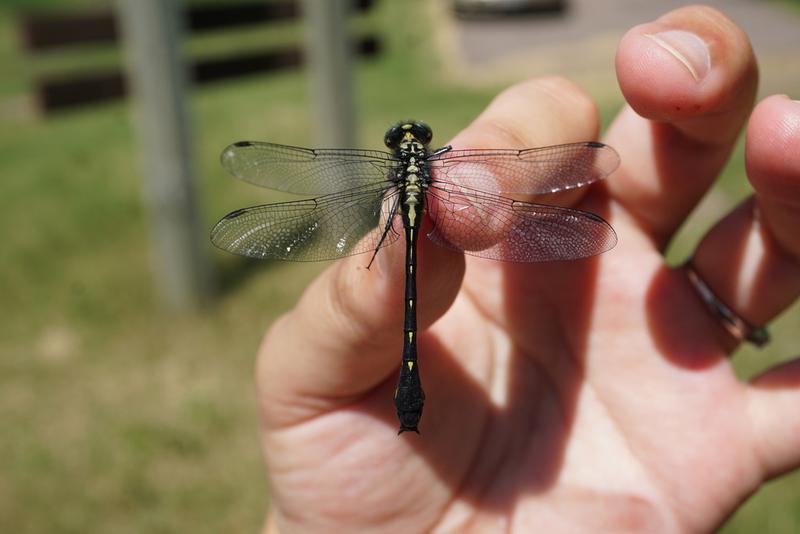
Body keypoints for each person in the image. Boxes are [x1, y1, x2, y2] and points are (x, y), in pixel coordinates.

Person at [256, 5, 800, 532]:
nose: (411, 145)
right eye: (411, 142)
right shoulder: (437, 168)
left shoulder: (424, 173)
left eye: (413, 140)